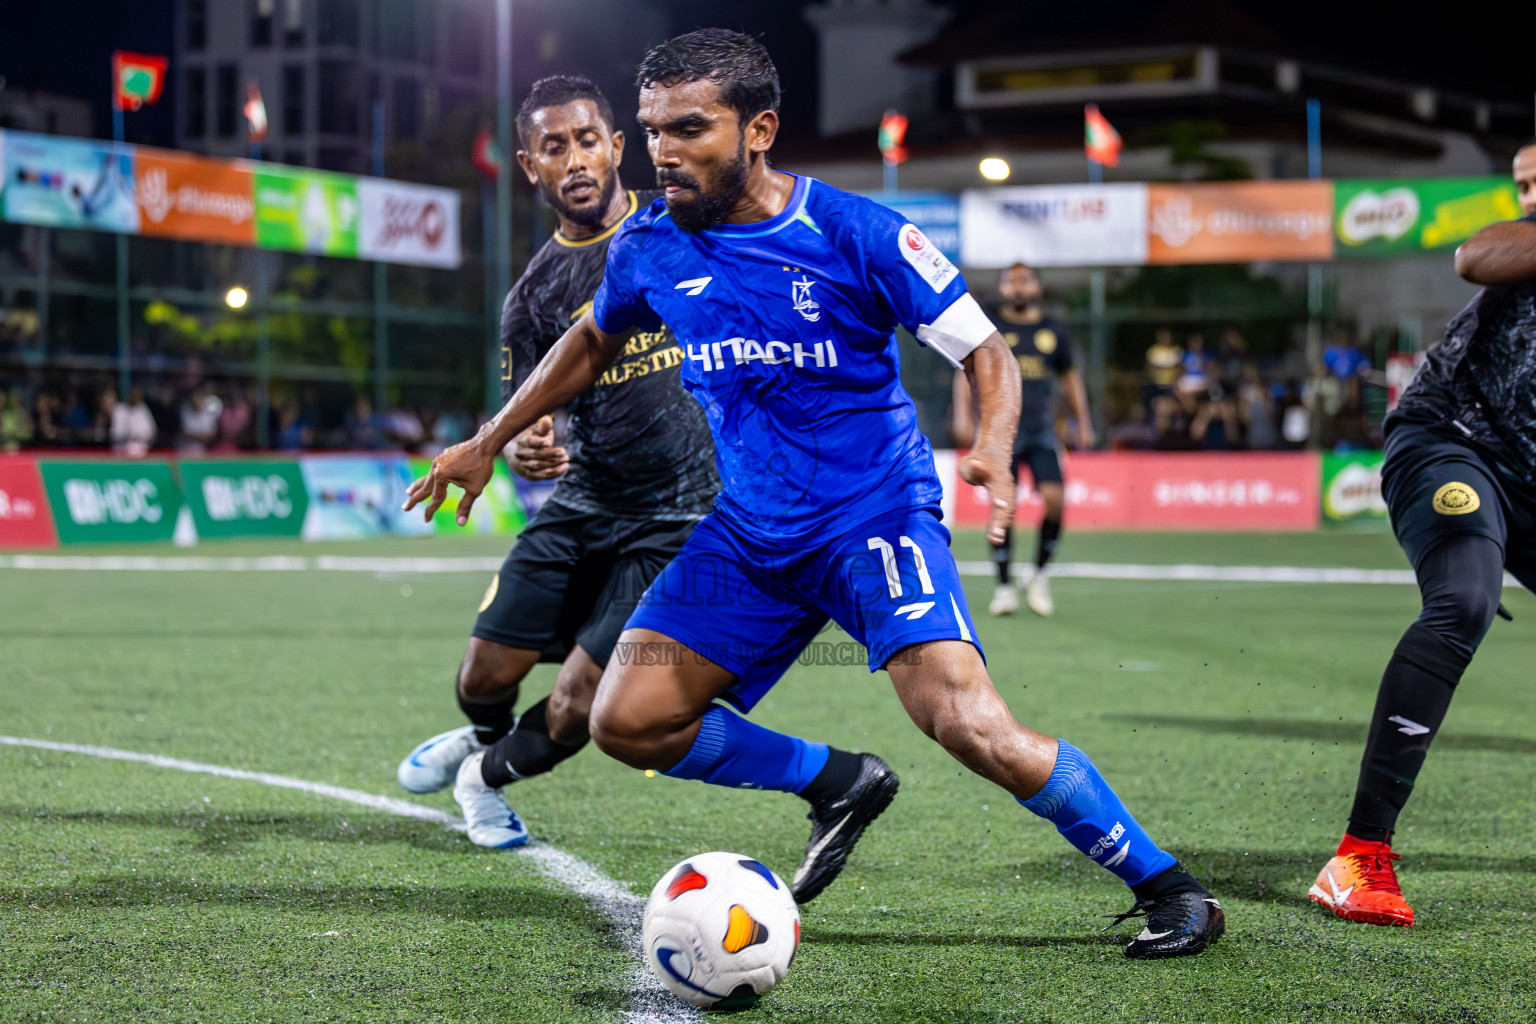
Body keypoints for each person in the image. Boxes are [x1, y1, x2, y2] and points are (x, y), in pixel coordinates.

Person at [407, 29, 1223, 957]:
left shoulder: (855, 234)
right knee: (629, 721)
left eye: (689, 128)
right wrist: (489, 439)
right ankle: (838, 780)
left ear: (759, 129)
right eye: (653, 130)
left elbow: (985, 350)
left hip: (872, 517)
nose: (663, 151)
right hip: (748, 535)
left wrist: (992, 446)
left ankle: (1169, 886)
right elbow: (593, 340)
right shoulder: (647, 243)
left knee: (965, 723)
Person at [394, 75, 719, 851]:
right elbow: (539, 401)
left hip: (679, 516)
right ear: (528, 165)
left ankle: (486, 777)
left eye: (584, 140)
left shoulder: (684, 230)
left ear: (615, 146)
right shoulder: (533, 298)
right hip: (584, 502)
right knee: (482, 675)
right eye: (552, 147)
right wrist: (530, 442)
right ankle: (483, 736)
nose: (572, 159)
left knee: (581, 696)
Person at [1308, 140, 1536, 927]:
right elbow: (1476, 255)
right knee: (1464, 600)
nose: (1529, 194)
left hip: (1531, 479)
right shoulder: (1519, 248)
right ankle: (1358, 856)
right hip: (1450, 443)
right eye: (1523, 183)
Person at [951, 262, 1092, 618]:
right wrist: (963, 415)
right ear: (1001, 287)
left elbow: (1070, 378)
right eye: (1009, 281)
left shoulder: (1053, 330)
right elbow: (965, 368)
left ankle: (1039, 575)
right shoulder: (989, 327)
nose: (1016, 287)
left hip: (1043, 430)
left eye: (1024, 280)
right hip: (1001, 433)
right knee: (1003, 504)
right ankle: (1003, 587)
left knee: (1056, 500)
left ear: (1036, 287)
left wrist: (1083, 421)